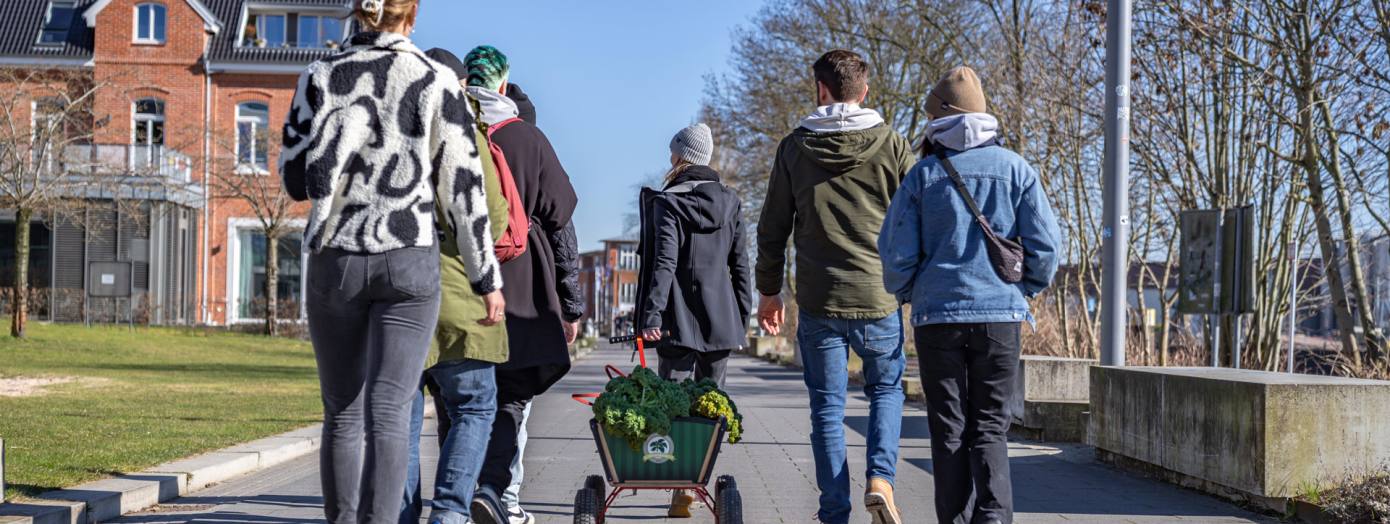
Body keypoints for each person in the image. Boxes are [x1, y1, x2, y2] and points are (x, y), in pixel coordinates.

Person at [280, 0, 505, 522]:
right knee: (389, 413)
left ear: (359, 13)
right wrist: (485, 279)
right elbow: (464, 193)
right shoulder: (435, 78)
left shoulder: (320, 75)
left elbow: (295, 179)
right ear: (413, 15)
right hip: (408, 257)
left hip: (337, 255)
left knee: (342, 412)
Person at [878, 66, 1060, 524]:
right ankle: (994, 517)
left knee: (948, 428)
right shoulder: (1017, 169)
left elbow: (895, 254)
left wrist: (911, 293)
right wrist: (1023, 290)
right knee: (991, 428)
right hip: (1000, 317)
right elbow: (1047, 248)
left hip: (938, 318)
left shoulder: (922, 176)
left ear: (938, 120)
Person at [755, 49, 915, 524]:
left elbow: (772, 228)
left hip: (821, 298)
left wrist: (769, 291)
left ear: (821, 90)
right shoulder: (892, 144)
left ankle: (834, 512)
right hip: (879, 297)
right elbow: (914, 219)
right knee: (885, 391)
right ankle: (881, 480)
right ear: (864, 91)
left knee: (828, 408)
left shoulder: (794, 148)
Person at [392, 46, 517, 524]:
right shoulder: (463, 131)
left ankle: (401, 516)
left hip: (395, 295)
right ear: (461, 86)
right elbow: (492, 215)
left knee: (400, 418)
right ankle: (449, 513)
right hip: (459, 297)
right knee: (474, 406)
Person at [459, 45, 580, 524]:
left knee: (461, 393)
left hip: (456, 280)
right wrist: (570, 304)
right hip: (519, 284)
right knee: (509, 396)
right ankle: (492, 490)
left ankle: (458, 495)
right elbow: (561, 221)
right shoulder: (528, 140)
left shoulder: (445, 129)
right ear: (504, 85)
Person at [636, 123, 753, 518]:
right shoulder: (732, 202)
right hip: (722, 321)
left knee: (673, 403)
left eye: (673, 153)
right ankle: (698, 477)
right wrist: (742, 318)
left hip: (677, 320)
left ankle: (679, 483)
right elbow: (741, 265)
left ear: (682, 157)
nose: (669, 159)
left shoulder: (669, 202)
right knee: (712, 403)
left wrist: (651, 313)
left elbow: (663, 263)